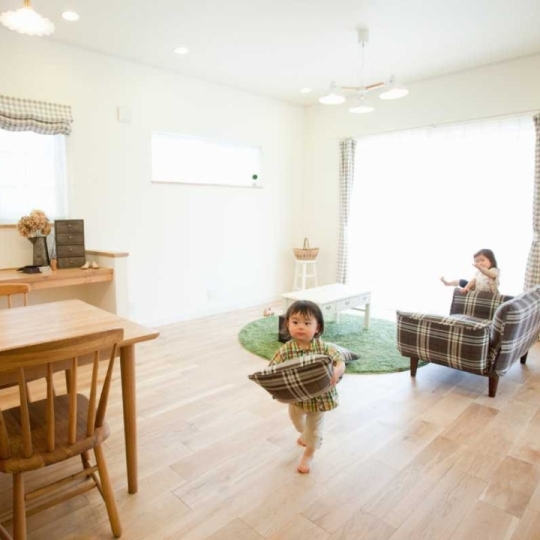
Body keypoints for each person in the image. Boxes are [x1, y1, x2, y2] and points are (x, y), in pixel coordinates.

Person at [270, 300, 345, 474]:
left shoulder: (323, 348)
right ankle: (306, 435)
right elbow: (273, 369)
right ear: (287, 324)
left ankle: (309, 453)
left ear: (317, 328)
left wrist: (337, 370)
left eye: (307, 323)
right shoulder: (286, 349)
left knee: (314, 429)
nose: (300, 327)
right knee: (297, 421)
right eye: (295, 322)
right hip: (296, 399)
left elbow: (340, 360)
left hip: (319, 399)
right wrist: (276, 388)